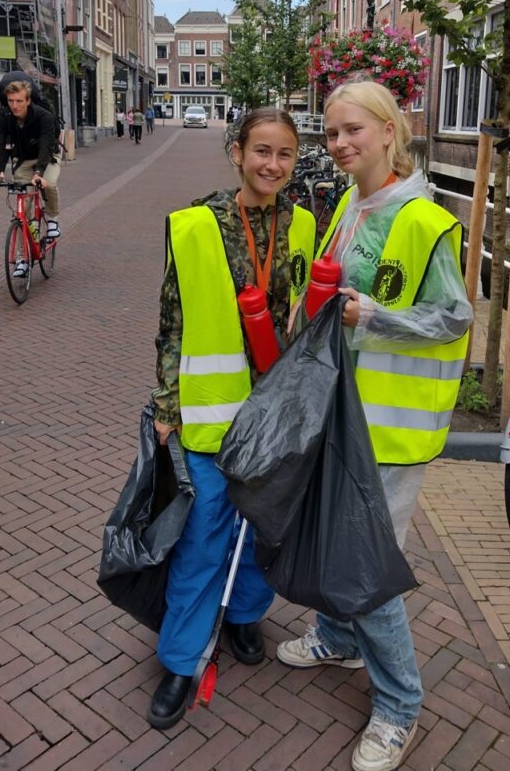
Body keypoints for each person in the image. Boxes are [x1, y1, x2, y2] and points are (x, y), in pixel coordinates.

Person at [277, 79, 473, 771]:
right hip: (344, 415)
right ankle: (337, 636)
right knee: (342, 540)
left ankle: (398, 706)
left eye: (352, 130)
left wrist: (375, 317)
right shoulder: (349, 207)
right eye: (330, 133)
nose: (338, 144)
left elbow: (454, 317)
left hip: (390, 429)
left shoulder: (421, 219)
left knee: (368, 566)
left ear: (390, 130)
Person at [148, 108, 316, 730]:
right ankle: (182, 658)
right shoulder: (194, 225)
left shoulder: (304, 225)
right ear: (236, 150)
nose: (272, 165)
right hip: (212, 411)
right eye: (262, 151)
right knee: (203, 535)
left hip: (277, 413)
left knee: (263, 528)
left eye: (285, 155)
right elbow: (172, 320)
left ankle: (245, 615)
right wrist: (167, 404)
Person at [0, 71, 63, 274]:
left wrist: (39, 173)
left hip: (48, 156)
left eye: (19, 101)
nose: (15, 105)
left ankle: (52, 220)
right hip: (24, 160)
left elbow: (46, 145)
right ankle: (22, 259)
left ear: (28, 101)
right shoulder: (3, 117)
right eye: (11, 101)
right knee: (21, 209)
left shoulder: (43, 116)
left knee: (50, 183)